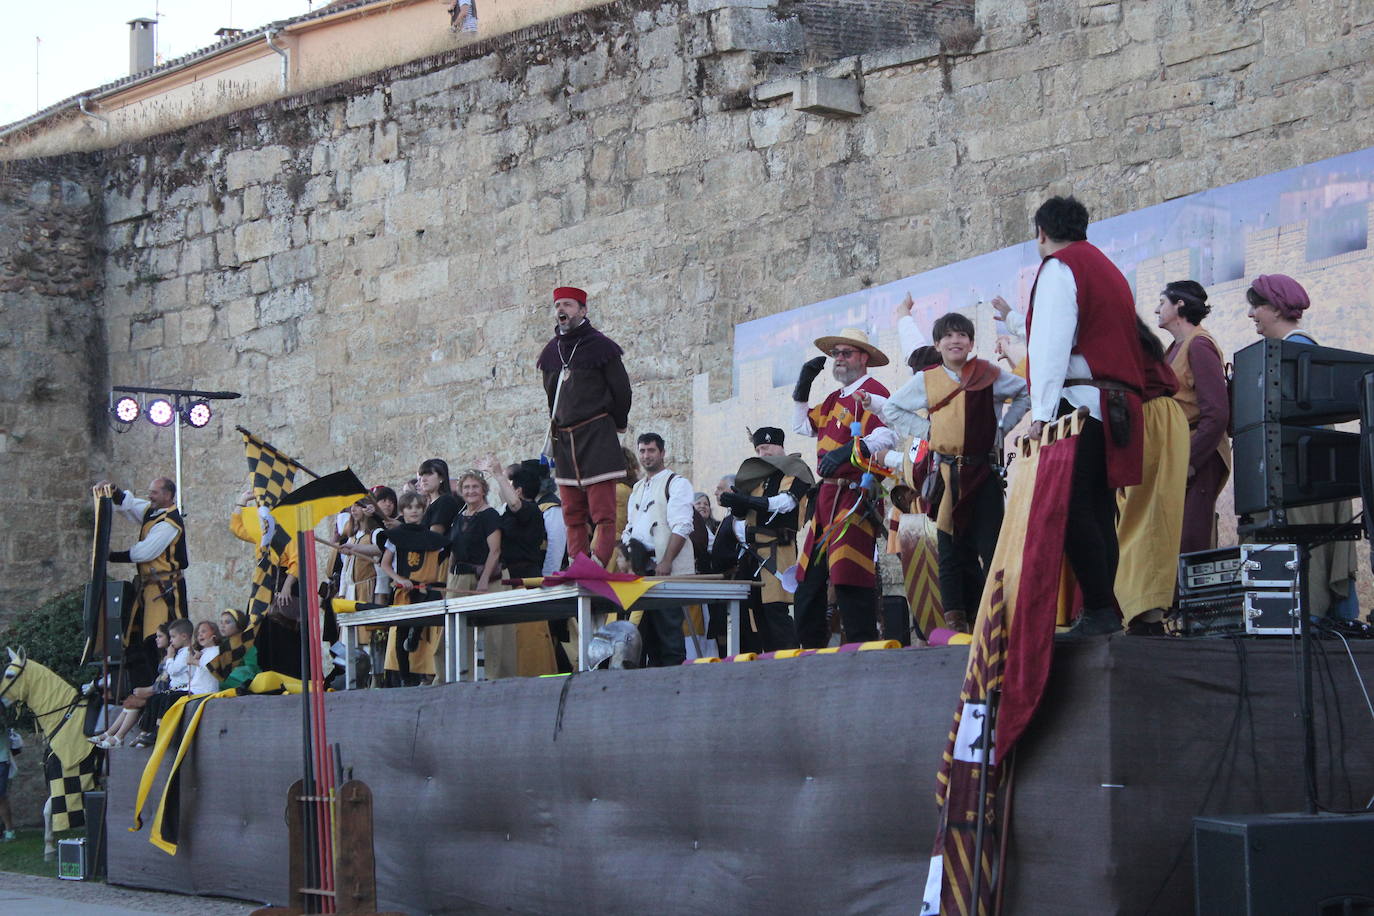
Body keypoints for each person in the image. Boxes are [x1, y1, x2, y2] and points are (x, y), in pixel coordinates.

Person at [1024, 196, 1149, 638]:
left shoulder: (1061, 268)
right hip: (1114, 405)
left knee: (1071, 506)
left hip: (1080, 404)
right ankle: (1103, 609)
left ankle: (1098, 608)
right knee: (1097, 509)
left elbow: (1049, 345)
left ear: (1041, 233)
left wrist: (1041, 414)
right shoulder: (1107, 269)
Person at [862, 312, 1029, 633]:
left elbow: (1023, 392)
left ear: (971, 342)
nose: (956, 341)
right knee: (950, 549)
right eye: (948, 336)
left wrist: (1003, 429)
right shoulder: (927, 380)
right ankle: (956, 621)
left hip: (984, 472)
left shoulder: (989, 374)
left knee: (992, 547)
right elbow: (894, 407)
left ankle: (998, 617)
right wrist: (928, 431)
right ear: (938, 344)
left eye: (962, 335)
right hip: (947, 475)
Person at [1245, 273, 1358, 618]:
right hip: (1303, 474)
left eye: (1256, 306)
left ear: (1277, 309)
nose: (1251, 314)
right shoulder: (1295, 352)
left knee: (1306, 561)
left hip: (1302, 479)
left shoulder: (1296, 353)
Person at [791, 327, 896, 647]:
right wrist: (802, 389)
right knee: (809, 582)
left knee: (849, 575)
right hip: (826, 499)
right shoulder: (834, 399)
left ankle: (861, 647)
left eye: (846, 353)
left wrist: (850, 450)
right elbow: (802, 426)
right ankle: (810, 651)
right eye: (835, 353)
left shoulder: (874, 391)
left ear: (864, 358)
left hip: (854, 496)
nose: (839, 358)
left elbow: (888, 436)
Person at [536, 286, 632, 567]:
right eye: (558, 306)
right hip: (566, 441)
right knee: (572, 512)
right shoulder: (551, 352)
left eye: (567, 305)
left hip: (596, 436)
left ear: (583, 310)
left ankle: (599, 563)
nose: (561, 310)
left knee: (603, 511)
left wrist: (617, 424)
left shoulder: (601, 347)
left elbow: (621, 390)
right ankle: (578, 563)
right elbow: (551, 397)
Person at [717, 427, 812, 652]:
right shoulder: (758, 475)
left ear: (779, 445)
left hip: (778, 550)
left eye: (766, 447)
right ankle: (766, 661)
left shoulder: (796, 469)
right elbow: (743, 514)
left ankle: (789, 660)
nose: (762, 453)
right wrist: (735, 502)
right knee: (754, 610)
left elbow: (785, 503)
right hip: (752, 552)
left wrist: (747, 501)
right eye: (758, 449)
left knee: (776, 609)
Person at [1157, 280, 1231, 553]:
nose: (1157, 309)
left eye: (1162, 302)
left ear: (1180, 305)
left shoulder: (1199, 345)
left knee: (1190, 539)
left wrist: (1191, 461)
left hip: (1199, 452)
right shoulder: (1173, 349)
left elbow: (1217, 412)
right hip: (1178, 452)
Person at [620, 433, 697, 667]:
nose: (646, 456)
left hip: (665, 571)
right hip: (640, 571)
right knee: (643, 637)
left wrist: (666, 561)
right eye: (642, 451)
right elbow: (630, 528)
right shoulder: (637, 488)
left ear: (662, 453)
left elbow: (682, 526)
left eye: (651, 450)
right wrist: (626, 556)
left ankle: (675, 684)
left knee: (669, 636)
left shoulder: (676, 483)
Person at [101, 476, 189, 658]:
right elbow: (130, 505)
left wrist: (111, 556)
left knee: (163, 639)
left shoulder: (169, 523)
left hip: (165, 588)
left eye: (154, 493)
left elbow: (144, 552)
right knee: (141, 640)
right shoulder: (153, 512)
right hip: (149, 587)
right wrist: (114, 491)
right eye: (150, 492)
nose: (150, 496)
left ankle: (166, 673)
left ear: (168, 495)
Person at [380, 492, 449, 686]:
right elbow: (385, 564)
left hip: (428, 590)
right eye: (409, 507)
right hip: (405, 590)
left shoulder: (433, 539)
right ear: (402, 511)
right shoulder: (395, 537)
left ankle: (427, 673)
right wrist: (400, 579)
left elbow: (440, 560)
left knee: (426, 627)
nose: (414, 511)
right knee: (401, 632)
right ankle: (405, 676)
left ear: (423, 510)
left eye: (418, 507)